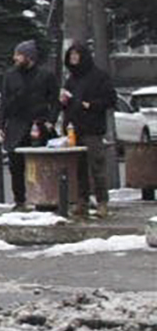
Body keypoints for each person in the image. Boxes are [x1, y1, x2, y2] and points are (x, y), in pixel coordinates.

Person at [59, 41, 117, 219]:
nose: (73, 58)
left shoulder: (99, 76)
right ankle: (82, 202)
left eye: (76, 55)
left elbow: (110, 99)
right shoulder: (71, 79)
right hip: (74, 128)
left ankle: (102, 202)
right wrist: (63, 102)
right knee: (79, 168)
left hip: (92, 128)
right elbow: (67, 104)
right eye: (71, 55)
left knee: (96, 166)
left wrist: (90, 105)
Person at [0, 40, 58, 209]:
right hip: (16, 124)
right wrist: (0, 125)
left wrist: (51, 121)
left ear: (29, 57)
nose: (15, 58)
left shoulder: (45, 75)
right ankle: (20, 200)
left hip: (38, 125)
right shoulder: (10, 76)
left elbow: (54, 101)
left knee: (41, 164)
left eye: (19, 55)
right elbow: (4, 102)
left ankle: (44, 200)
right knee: (16, 166)